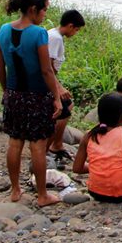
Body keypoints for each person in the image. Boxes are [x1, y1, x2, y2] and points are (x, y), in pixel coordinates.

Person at [0, 0, 64, 207]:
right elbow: (46, 70)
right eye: (44, 9)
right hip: (36, 95)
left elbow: (0, 66)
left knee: (15, 143)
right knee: (37, 145)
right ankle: (42, 195)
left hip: (14, 93)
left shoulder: (3, 30)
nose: (45, 14)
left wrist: (7, 90)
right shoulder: (39, 33)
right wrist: (56, 96)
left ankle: (15, 190)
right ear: (33, 9)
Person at [46, 9, 85, 162]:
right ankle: (52, 145)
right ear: (70, 26)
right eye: (76, 29)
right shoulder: (56, 38)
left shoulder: (53, 34)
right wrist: (58, 88)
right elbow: (48, 67)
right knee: (64, 109)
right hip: (47, 81)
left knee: (67, 106)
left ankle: (56, 143)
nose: (76, 33)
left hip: (49, 80)